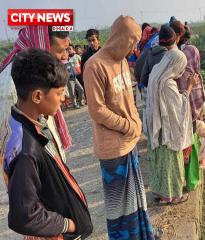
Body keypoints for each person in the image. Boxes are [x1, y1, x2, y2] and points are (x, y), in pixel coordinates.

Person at [3, 48, 92, 239]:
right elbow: (24, 215)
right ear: (37, 96)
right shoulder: (26, 149)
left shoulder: (24, 121)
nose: (64, 98)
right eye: (59, 92)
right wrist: (67, 224)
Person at [84, 15, 154, 240]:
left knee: (136, 198)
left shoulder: (123, 60)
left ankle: (142, 235)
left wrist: (136, 121)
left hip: (129, 142)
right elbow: (97, 110)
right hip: (112, 148)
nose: (134, 47)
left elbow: (127, 99)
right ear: (118, 38)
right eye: (131, 41)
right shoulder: (95, 65)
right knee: (119, 208)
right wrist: (127, 126)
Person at [0, 26, 73, 163]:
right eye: (60, 51)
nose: (65, 56)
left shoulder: (39, 74)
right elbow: (13, 148)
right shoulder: (12, 85)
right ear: (41, 45)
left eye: (66, 49)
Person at [146, 47, 194, 204]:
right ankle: (173, 196)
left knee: (159, 162)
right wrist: (189, 87)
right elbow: (179, 107)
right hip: (166, 130)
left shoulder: (155, 73)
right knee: (171, 163)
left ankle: (160, 192)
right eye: (181, 66)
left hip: (155, 126)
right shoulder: (167, 83)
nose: (181, 70)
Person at [177, 25, 205, 191]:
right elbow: (197, 70)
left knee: (186, 142)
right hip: (193, 98)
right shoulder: (192, 50)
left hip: (180, 102)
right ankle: (192, 180)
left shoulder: (174, 54)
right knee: (192, 141)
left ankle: (187, 178)